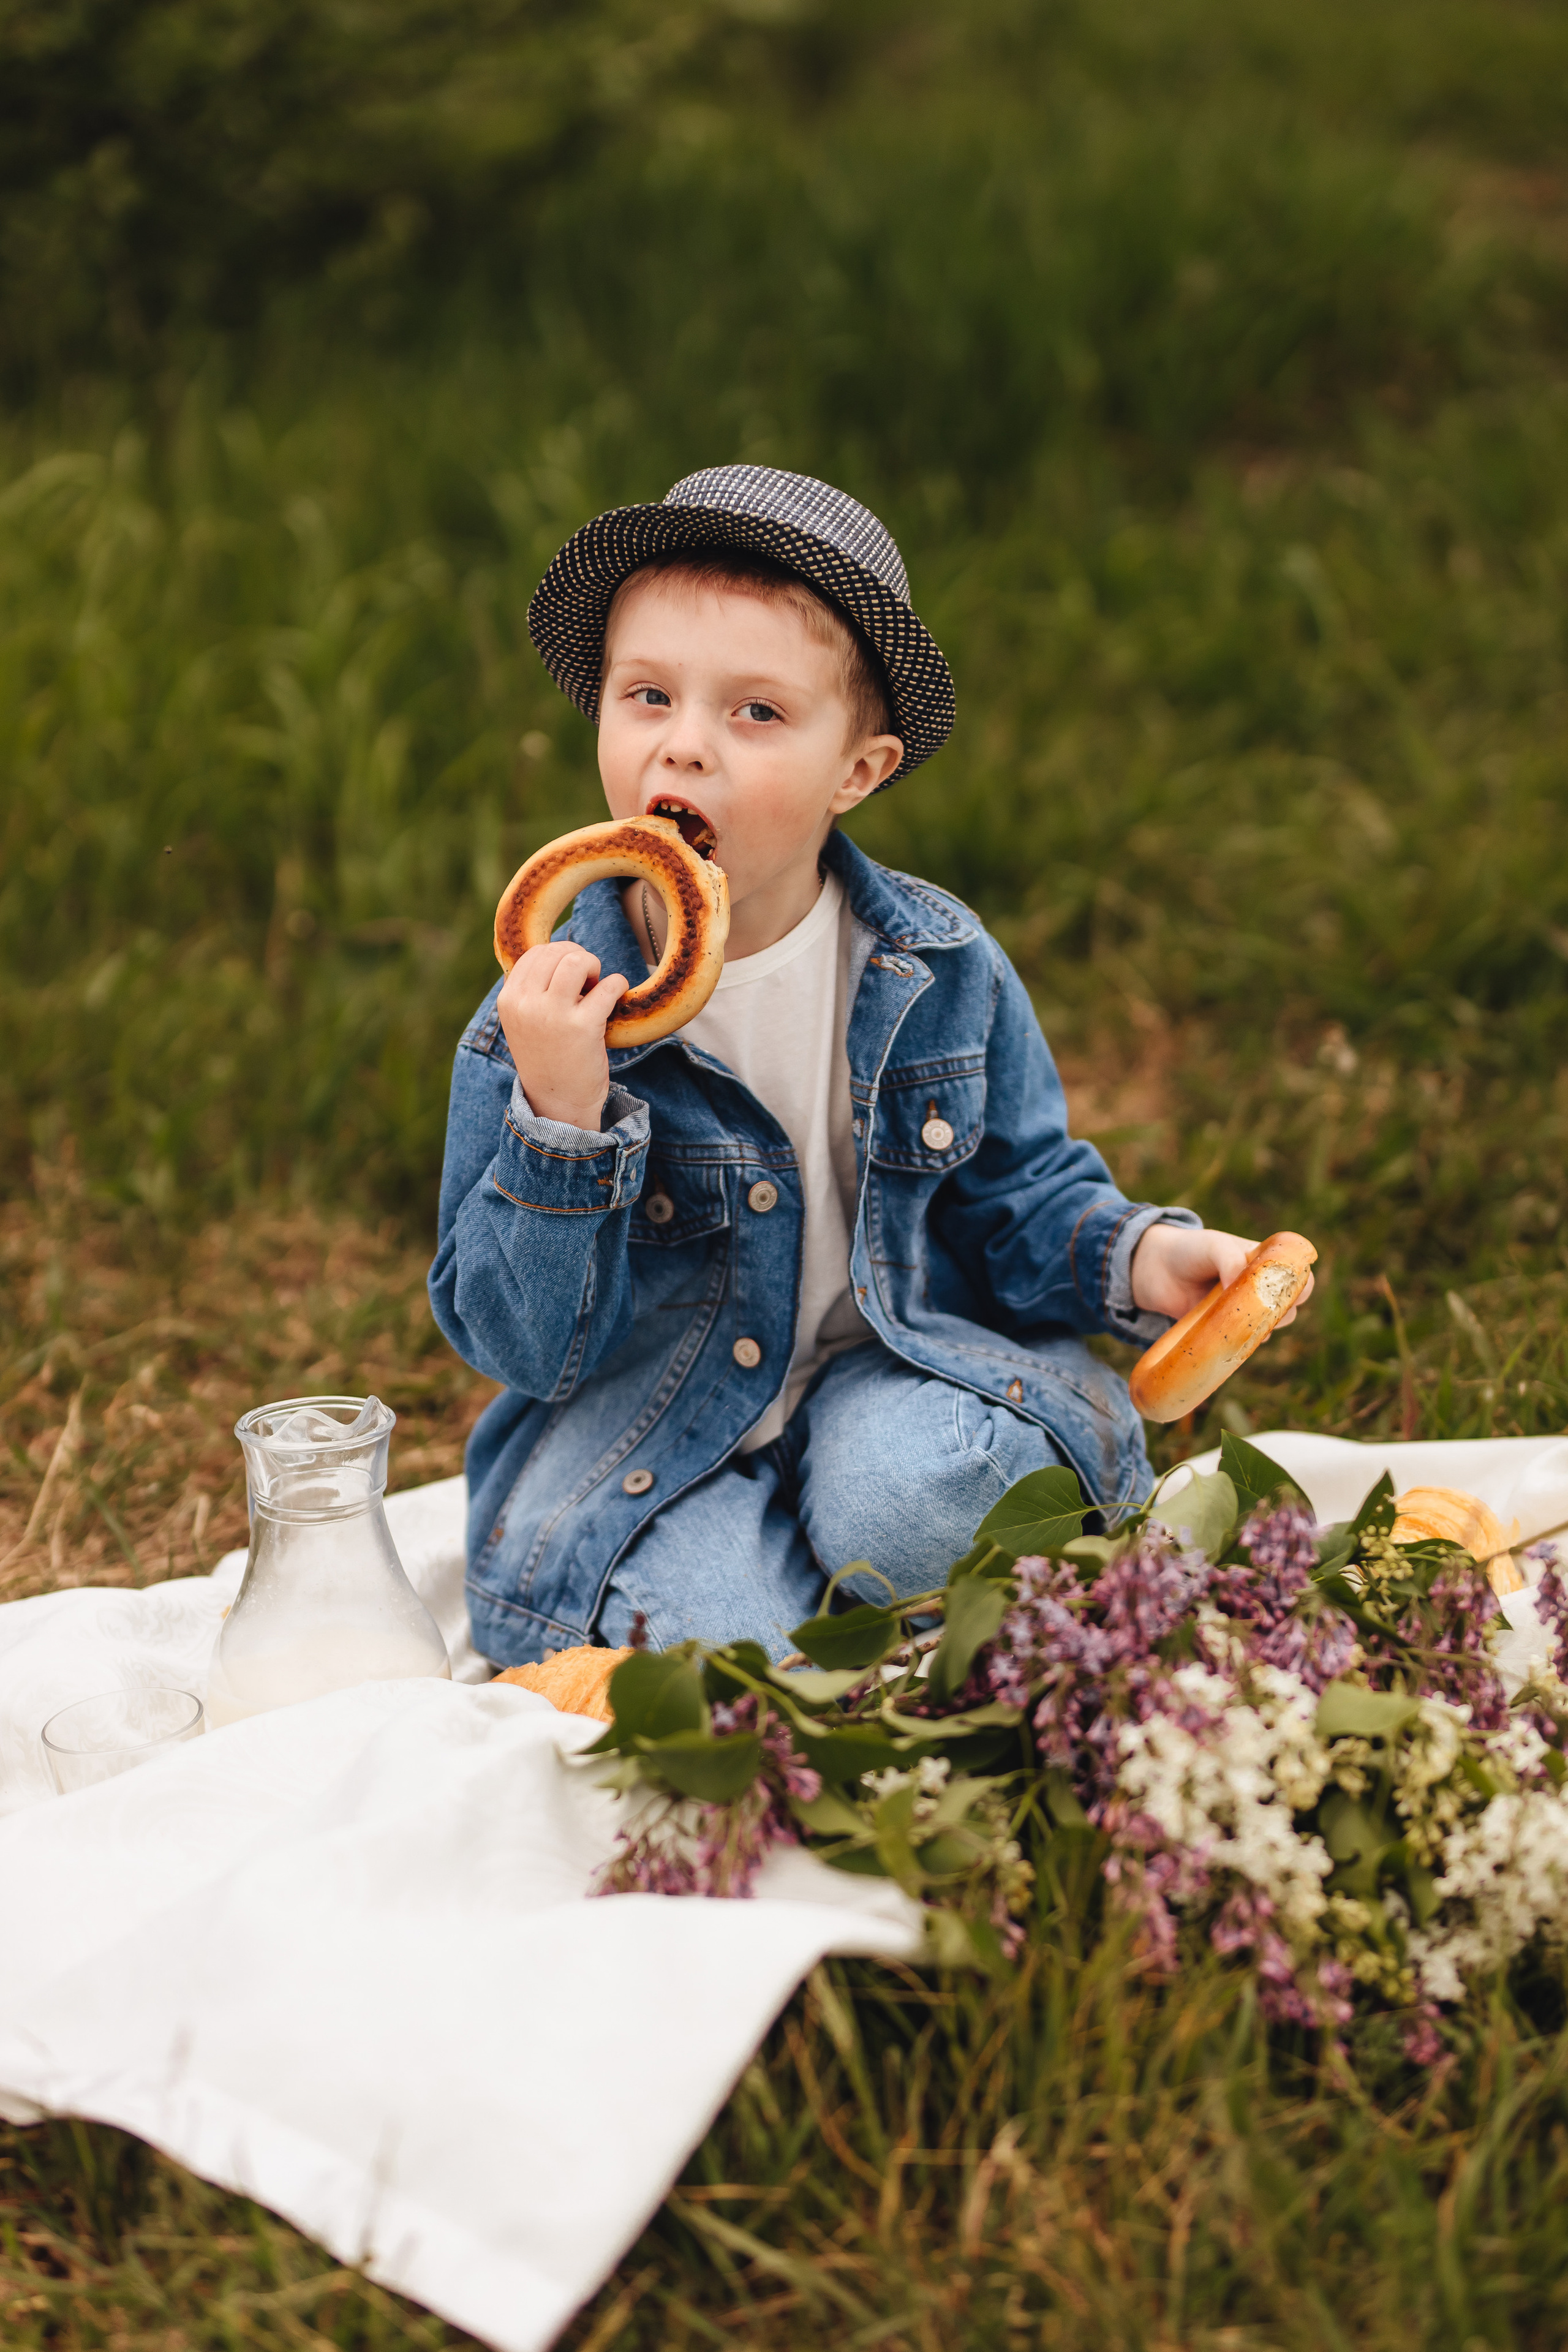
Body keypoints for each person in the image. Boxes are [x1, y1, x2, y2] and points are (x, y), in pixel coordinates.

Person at [429, 466, 1308, 1666]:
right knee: (716, 1659)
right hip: (657, 1439)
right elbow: (523, 1350)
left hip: (894, 1369)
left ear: (858, 770)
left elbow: (1017, 1195)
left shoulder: (933, 967)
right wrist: (561, 1119)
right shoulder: (538, 1025)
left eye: (756, 713)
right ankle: (801, 1584)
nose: (684, 745)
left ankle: (856, 1538)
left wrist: (1143, 1258)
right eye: (648, 696)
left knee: (925, 1503)